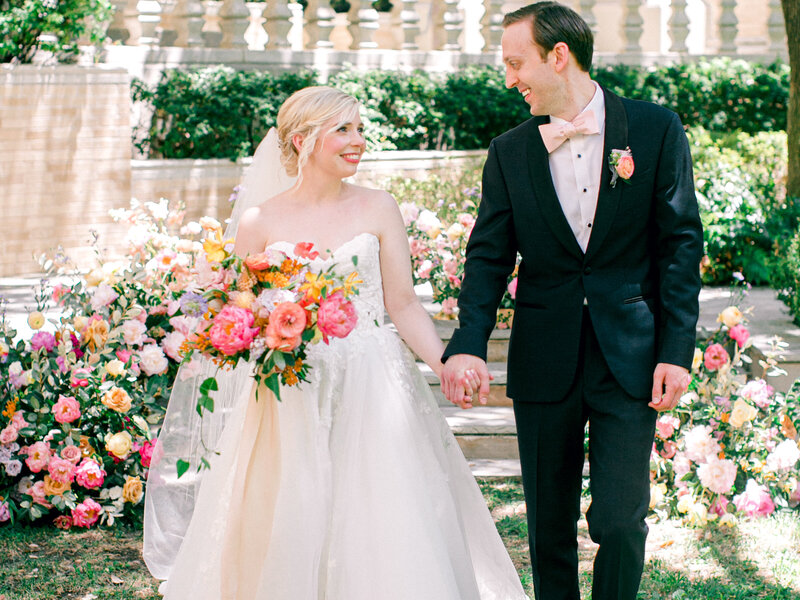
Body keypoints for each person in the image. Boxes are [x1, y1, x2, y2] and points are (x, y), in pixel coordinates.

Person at [143, 86, 527, 600]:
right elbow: (238, 310)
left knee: (378, 507)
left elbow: (403, 305)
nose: (359, 141)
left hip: (373, 384)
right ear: (301, 140)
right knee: (291, 506)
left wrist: (447, 362)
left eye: (360, 129)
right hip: (287, 388)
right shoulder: (260, 221)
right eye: (343, 130)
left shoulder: (378, 207)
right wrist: (254, 333)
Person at [440, 3, 703, 600]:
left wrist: (676, 349)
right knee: (548, 525)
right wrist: (468, 345)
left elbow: (680, 246)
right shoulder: (509, 151)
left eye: (516, 63)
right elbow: (487, 257)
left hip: (629, 356)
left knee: (619, 517)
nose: (509, 78)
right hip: (544, 358)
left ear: (559, 56)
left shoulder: (656, 129)